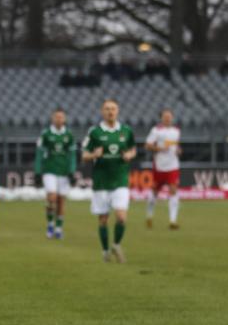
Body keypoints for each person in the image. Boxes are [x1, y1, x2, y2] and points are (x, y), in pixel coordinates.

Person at [82, 99, 136, 262]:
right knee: (103, 219)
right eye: (107, 109)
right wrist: (93, 155)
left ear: (118, 111)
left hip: (120, 179)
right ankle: (105, 250)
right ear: (102, 111)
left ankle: (116, 244)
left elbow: (133, 149)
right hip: (101, 181)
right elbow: (84, 155)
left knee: (121, 217)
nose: (110, 112)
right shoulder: (95, 132)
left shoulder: (126, 130)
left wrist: (130, 155)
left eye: (113, 109)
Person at [35, 108, 77, 239]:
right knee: (51, 198)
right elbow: (39, 154)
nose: (59, 119)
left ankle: (58, 228)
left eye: (61, 117)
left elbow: (72, 155)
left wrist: (72, 171)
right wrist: (38, 171)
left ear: (64, 119)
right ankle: (50, 224)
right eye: (56, 117)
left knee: (61, 202)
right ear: (53, 118)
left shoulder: (69, 135)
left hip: (64, 172)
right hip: (50, 170)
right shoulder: (46, 134)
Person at [145, 109, 181, 229]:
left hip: (173, 165)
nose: (167, 118)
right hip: (159, 166)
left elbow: (176, 146)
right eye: (165, 116)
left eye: (169, 116)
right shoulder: (156, 130)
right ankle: (149, 216)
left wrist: (178, 150)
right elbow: (147, 145)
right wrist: (160, 149)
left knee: (173, 190)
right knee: (154, 192)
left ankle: (172, 221)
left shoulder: (176, 131)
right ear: (161, 118)